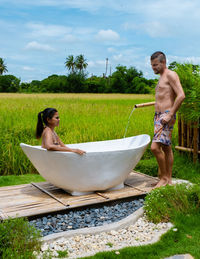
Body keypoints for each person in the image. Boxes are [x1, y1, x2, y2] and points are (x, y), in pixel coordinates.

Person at [150, 51, 185, 188]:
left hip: (166, 115)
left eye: (155, 65)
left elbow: (181, 95)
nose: (153, 68)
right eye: (152, 65)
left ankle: (164, 178)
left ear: (163, 62)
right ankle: (167, 179)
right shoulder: (161, 77)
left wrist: (170, 114)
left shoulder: (171, 75)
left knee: (154, 147)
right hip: (159, 116)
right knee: (166, 148)